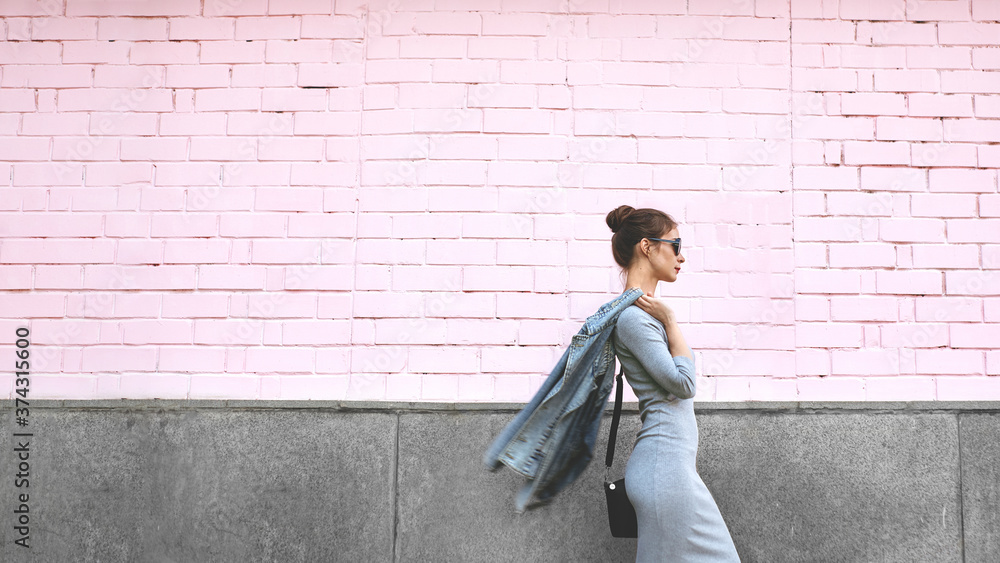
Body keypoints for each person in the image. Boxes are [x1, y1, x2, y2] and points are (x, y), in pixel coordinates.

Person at [607, 205, 741, 563]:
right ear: (647, 247)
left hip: (670, 470)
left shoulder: (641, 314)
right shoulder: (635, 319)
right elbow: (683, 384)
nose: (681, 257)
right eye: (675, 244)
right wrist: (671, 322)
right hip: (662, 472)